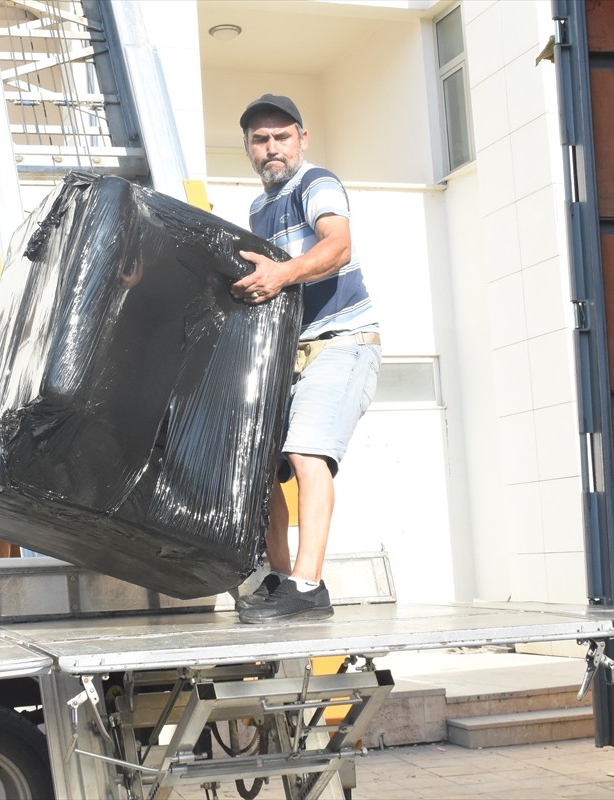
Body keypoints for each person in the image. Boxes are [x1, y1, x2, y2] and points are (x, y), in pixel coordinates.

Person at [231, 94, 381, 624]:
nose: (272, 147)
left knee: (305, 453)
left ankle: (309, 586)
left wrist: (280, 274)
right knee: (263, 463)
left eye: (282, 136)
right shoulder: (259, 209)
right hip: (292, 354)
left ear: (302, 139)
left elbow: (337, 246)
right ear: (248, 147)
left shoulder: (316, 183)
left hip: (342, 340)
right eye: (260, 139)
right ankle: (279, 578)